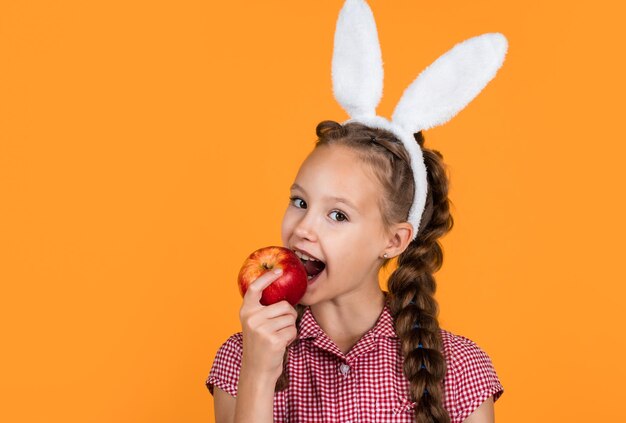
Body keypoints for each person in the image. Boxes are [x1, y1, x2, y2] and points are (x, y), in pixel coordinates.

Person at [206, 1, 507, 421]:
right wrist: (258, 374)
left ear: (393, 240)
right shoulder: (242, 356)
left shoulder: (458, 368)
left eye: (338, 215)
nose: (302, 228)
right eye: (300, 202)